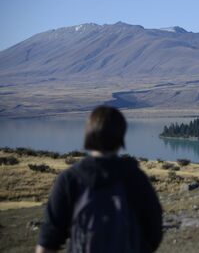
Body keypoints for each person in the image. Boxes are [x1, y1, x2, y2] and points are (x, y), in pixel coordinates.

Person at [36, 105, 163, 253]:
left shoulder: (70, 179)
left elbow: (48, 241)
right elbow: (154, 232)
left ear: (89, 134)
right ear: (121, 135)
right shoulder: (135, 177)